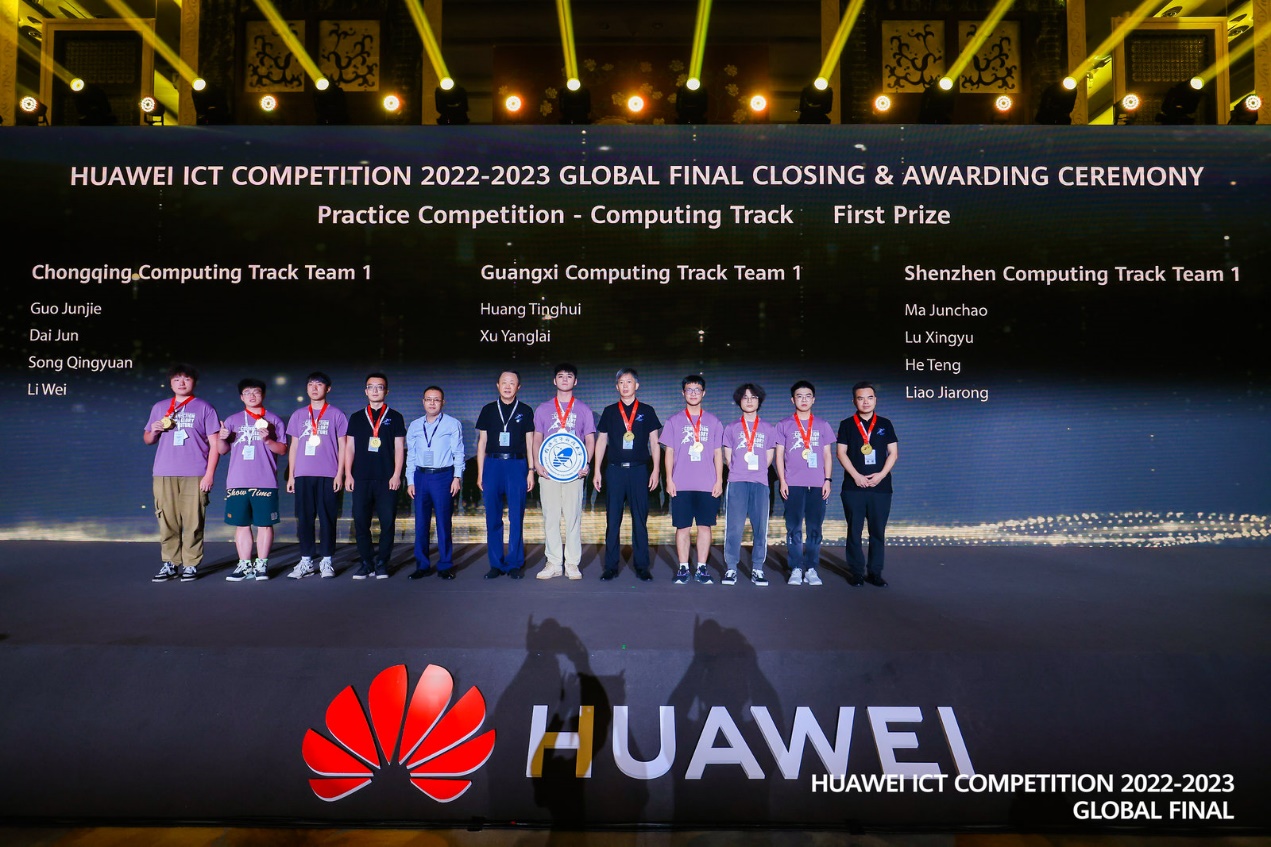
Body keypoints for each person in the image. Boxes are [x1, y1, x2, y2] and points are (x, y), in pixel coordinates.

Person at [144, 363, 221, 582]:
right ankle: (170, 563)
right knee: (167, 519)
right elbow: (148, 439)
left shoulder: (205, 407)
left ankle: (190, 564)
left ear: (193, 382)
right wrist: (154, 431)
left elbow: (215, 445)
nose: (181, 383)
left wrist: (209, 474)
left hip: (195, 473)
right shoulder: (160, 407)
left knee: (194, 521)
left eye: (186, 379)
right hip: (164, 472)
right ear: (170, 383)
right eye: (177, 379)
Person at [593, 368, 662, 581]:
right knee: (613, 519)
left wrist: (656, 469)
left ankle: (642, 566)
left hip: (639, 470)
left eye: (629, 382)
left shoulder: (647, 411)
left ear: (636, 385)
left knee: (639, 519)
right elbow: (601, 441)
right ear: (617, 386)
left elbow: (654, 442)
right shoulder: (609, 411)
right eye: (621, 382)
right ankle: (610, 567)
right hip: (614, 471)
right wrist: (597, 470)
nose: (625, 386)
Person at [217, 378, 288, 581]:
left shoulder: (273, 420)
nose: (252, 395)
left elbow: (282, 450)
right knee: (242, 524)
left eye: (256, 391)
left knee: (265, 524)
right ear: (241, 397)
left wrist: (268, 440)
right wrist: (222, 437)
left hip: (265, 480)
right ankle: (244, 564)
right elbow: (222, 450)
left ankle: (262, 564)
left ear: (262, 394)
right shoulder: (232, 420)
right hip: (238, 480)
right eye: (247, 392)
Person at [659, 374, 724, 585]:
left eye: (697, 390)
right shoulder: (673, 421)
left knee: (705, 527)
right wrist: (669, 480)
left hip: (707, 484)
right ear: (683, 393)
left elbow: (718, 453)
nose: (693, 393)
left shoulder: (713, 421)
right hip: (681, 484)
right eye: (689, 390)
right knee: (683, 527)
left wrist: (719, 480)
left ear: (703, 393)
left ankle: (702, 568)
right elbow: (669, 453)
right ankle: (683, 568)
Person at [533, 363, 596, 580]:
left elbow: (590, 439)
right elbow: (537, 438)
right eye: (560, 376)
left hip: (574, 472)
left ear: (575, 381)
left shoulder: (583, 409)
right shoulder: (543, 409)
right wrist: (537, 463)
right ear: (554, 381)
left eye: (569, 376)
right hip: (548, 471)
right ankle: (553, 563)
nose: (565, 379)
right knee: (550, 517)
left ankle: (572, 564)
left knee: (573, 517)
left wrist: (586, 463)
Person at [285, 372, 349, 579]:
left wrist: (340, 474)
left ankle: (327, 560)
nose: (314, 388)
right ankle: (306, 560)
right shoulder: (298, 415)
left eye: (319, 384)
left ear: (327, 389)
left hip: (328, 474)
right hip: (303, 474)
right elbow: (294, 446)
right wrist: (291, 475)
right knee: (304, 519)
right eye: (311, 384)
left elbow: (344, 446)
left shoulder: (337, 414)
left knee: (327, 518)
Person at [344, 373, 407, 579]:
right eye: (371, 387)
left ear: (386, 391)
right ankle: (366, 563)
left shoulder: (395, 416)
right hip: (361, 478)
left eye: (379, 387)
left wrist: (396, 475)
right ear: (366, 391)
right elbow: (350, 447)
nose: (375, 390)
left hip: (386, 478)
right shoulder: (356, 417)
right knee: (361, 522)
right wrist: (348, 474)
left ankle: (382, 563)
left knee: (387, 523)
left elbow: (399, 448)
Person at [475, 370, 536, 579]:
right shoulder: (488, 409)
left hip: (516, 465)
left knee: (516, 516)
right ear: (498, 385)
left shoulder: (525, 410)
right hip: (492, 465)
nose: (508, 386)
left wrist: (531, 470)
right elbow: (482, 443)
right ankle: (495, 563)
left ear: (519, 387)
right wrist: (480, 473)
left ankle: (515, 563)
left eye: (512, 383)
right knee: (493, 516)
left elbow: (530, 443)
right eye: (504, 382)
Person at [837, 381, 899, 587]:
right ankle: (856, 572)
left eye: (870, 397)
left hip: (881, 488)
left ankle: (875, 572)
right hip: (853, 487)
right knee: (854, 531)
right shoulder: (847, 424)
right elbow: (841, 453)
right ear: (854, 401)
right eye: (861, 398)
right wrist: (856, 476)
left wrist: (881, 475)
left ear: (875, 400)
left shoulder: (885, 424)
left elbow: (893, 453)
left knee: (877, 532)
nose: (865, 402)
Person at [775, 380, 836, 586]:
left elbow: (827, 455)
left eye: (808, 396)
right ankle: (795, 568)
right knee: (793, 528)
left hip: (818, 484)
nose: (804, 400)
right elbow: (779, 455)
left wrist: (827, 480)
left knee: (814, 528)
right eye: (799, 396)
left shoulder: (822, 425)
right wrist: (783, 481)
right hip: (793, 484)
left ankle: (811, 568)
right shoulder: (784, 424)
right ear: (792, 400)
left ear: (813, 399)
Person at [721, 383, 778, 586]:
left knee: (760, 528)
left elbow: (769, 458)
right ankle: (731, 568)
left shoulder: (768, 428)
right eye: (745, 397)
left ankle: (757, 568)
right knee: (734, 528)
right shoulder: (731, 428)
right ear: (739, 401)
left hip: (760, 482)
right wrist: (741, 470)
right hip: (737, 482)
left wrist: (756, 470)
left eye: (753, 397)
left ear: (759, 401)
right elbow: (728, 458)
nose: (749, 401)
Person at [405, 386, 464, 580]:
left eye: (436, 399)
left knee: (443, 522)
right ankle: (422, 565)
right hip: (421, 476)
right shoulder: (415, 425)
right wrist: (410, 480)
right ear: (423, 402)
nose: (432, 403)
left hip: (443, 476)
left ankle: (445, 565)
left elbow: (458, 452)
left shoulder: (452, 424)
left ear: (443, 402)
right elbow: (411, 455)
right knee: (421, 523)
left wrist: (457, 477)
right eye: (428, 399)